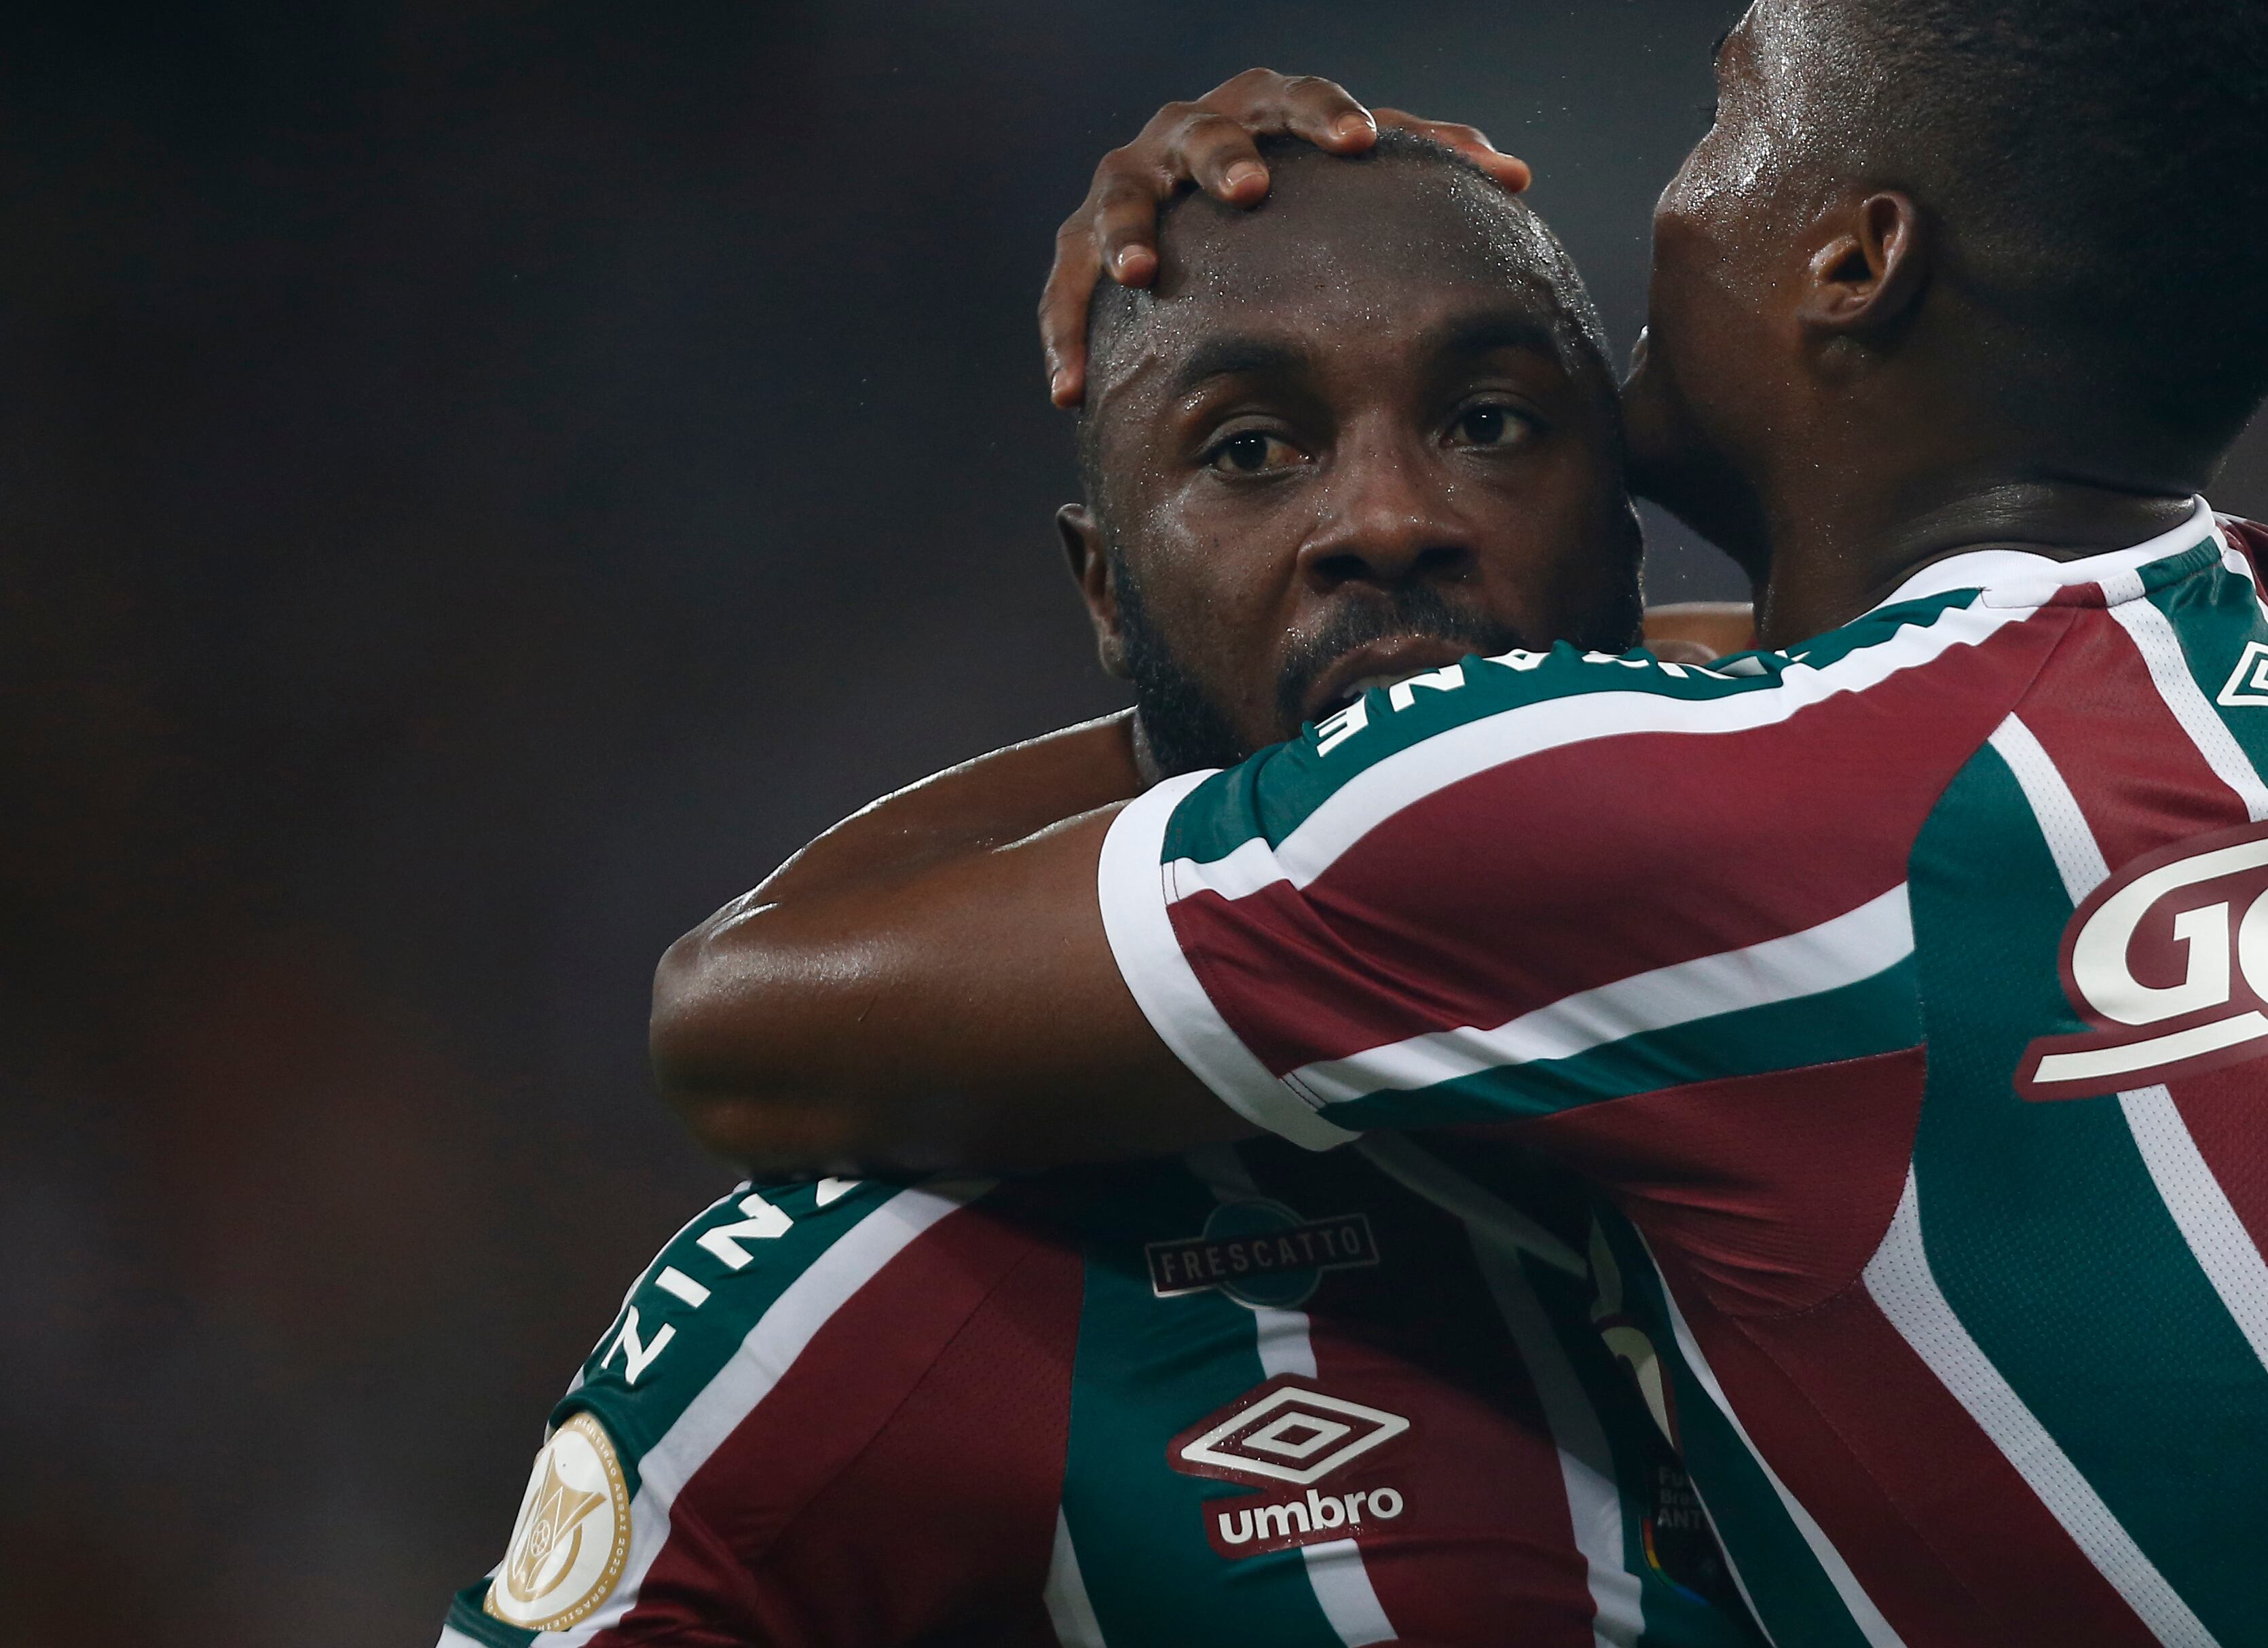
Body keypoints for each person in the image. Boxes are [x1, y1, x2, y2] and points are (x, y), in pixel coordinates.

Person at [652, 0, 2268, 1648]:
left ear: (1855, 262)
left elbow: (743, 1011)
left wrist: (1265, 636)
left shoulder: (1698, 838)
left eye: (1732, 105)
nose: (1671, 192)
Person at [440, 134, 1763, 1648]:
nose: (1388, 516)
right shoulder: (898, 1280)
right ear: (1104, 591)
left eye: (1485, 419)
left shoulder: (1951, 958)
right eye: (1250, 449)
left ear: (1618, 516)